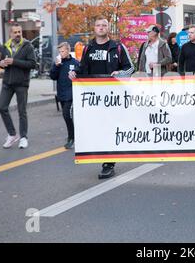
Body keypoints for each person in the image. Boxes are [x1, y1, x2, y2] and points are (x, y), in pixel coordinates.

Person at [69, 16, 134, 179]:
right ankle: (102, 154)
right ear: (94, 28)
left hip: (113, 97)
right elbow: (82, 69)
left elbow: (130, 67)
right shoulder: (87, 48)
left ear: (108, 28)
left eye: (104, 25)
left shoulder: (117, 47)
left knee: (110, 127)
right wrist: (74, 73)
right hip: (93, 97)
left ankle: (108, 163)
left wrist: (120, 73)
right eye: (98, 25)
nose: (101, 28)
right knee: (97, 127)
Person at [0, 23, 36, 149]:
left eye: (19, 32)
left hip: (21, 83)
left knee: (22, 111)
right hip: (7, 83)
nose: (18, 34)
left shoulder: (27, 46)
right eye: (15, 32)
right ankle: (12, 134)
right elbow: (1, 61)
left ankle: (24, 137)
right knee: (2, 107)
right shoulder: (5, 46)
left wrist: (14, 62)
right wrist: (1, 63)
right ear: (10, 34)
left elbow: (32, 64)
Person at [50, 42, 80, 149]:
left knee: (67, 114)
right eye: (60, 52)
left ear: (68, 51)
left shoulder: (75, 62)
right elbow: (52, 76)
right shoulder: (58, 63)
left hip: (71, 94)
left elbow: (80, 74)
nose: (61, 53)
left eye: (63, 51)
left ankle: (72, 138)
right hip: (61, 93)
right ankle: (72, 135)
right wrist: (56, 66)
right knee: (66, 116)